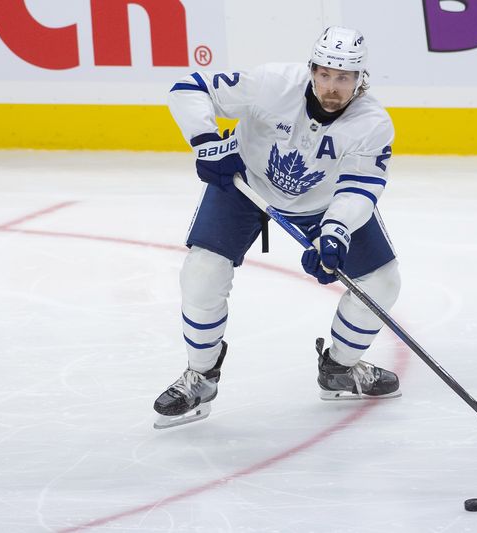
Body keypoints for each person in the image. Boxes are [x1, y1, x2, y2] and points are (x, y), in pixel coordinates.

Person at [153, 26, 402, 429]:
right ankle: (201, 376)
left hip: (322, 204)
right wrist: (204, 140)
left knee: (382, 280)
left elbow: (358, 188)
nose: (332, 87)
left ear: (360, 80)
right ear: (311, 70)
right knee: (202, 272)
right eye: (324, 74)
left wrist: (335, 231)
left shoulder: (372, 123)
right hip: (244, 182)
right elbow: (189, 87)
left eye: (343, 78)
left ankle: (340, 368)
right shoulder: (273, 83)